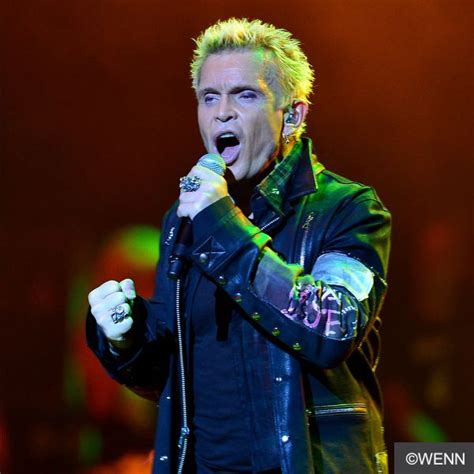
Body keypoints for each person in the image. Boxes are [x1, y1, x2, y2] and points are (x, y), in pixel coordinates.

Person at [86, 18, 391, 474]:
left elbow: (333, 328)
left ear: (293, 115)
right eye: (209, 97)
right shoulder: (184, 218)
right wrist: (125, 339)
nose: (221, 113)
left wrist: (222, 224)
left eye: (245, 95)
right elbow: (172, 379)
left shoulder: (346, 209)